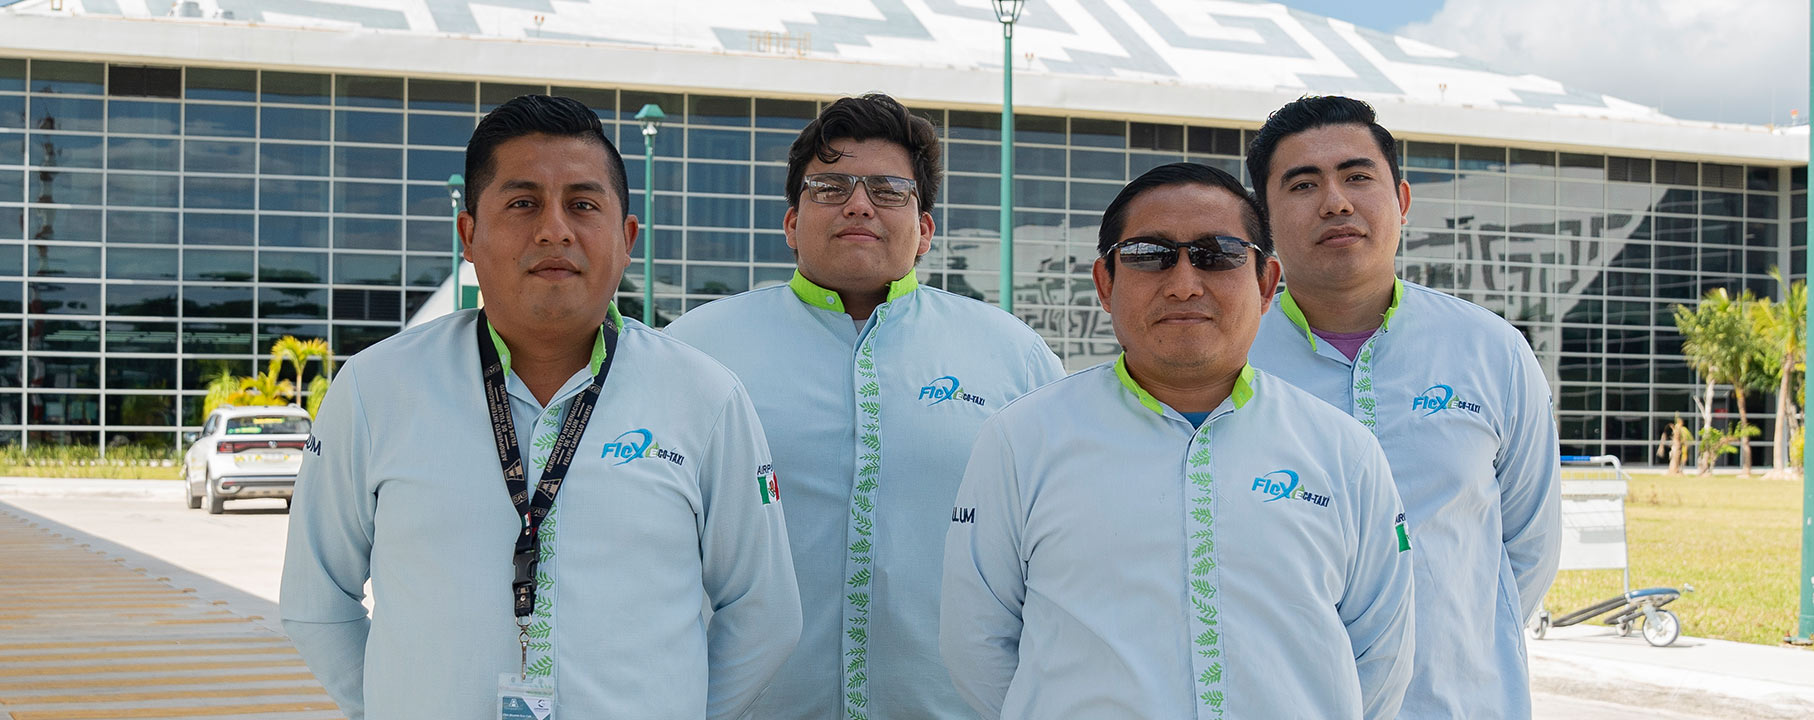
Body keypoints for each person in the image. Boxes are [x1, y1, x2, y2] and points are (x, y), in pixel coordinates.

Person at [281, 94, 801, 720]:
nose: (555, 228)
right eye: (523, 202)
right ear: (469, 235)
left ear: (626, 237)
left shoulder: (706, 398)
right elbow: (317, 600)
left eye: (583, 204)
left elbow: (764, 611)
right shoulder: (375, 390)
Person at [941, 162, 1415, 720]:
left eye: (1218, 254)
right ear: (1105, 284)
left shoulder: (1343, 451)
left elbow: (1380, 653)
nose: (1185, 283)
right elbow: (976, 642)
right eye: (1149, 255)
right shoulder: (1022, 441)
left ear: (1265, 283)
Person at [666, 92, 1063, 720]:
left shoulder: (1013, 356)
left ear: (925, 228)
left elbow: (1058, 553)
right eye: (829, 188)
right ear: (792, 222)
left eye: (887, 190)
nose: (858, 204)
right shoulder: (695, 350)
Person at [1244, 95, 1561, 718]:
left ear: (1403, 201)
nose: (1336, 201)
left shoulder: (1489, 350)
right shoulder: (1230, 362)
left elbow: (1528, 545)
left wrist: (1446, 639)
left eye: (1358, 177)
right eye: (1303, 184)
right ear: (1265, 222)